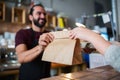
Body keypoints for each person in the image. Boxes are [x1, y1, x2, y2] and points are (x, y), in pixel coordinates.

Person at [15, 3, 54, 80]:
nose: (43, 16)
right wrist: (40, 47)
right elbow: (21, 57)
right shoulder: (22, 33)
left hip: (46, 78)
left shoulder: (50, 34)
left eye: (44, 14)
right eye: (39, 13)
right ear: (31, 17)